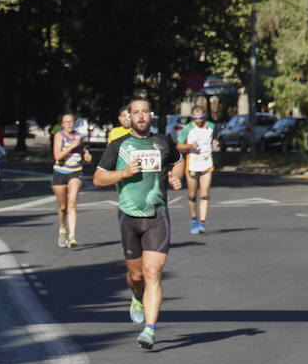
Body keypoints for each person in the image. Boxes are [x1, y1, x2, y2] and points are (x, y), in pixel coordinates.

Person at [93, 98, 184, 350]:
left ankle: (149, 329)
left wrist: (176, 178)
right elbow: (98, 179)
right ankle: (136, 296)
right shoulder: (118, 145)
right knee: (136, 276)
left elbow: (177, 162)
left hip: (157, 216)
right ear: (128, 117)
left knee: (153, 273)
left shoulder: (164, 141)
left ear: (150, 115)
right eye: (136, 112)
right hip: (128, 217)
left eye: (145, 112)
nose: (141, 116)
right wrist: (123, 173)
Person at [176, 106, 219, 234]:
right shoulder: (188, 128)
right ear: (192, 117)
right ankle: (194, 218)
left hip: (207, 163)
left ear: (204, 116)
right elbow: (178, 146)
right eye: (196, 118)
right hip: (192, 165)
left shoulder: (211, 126)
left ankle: (202, 222)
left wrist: (215, 142)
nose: (199, 121)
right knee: (192, 195)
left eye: (201, 118)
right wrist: (190, 146)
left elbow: (214, 137)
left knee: (205, 194)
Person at [52, 113, 92, 248]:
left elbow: (83, 150)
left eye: (71, 122)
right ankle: (63, 228)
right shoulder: (59, 136)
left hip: (75, 172)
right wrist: (70, 146)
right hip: (60, 173)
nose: (69, 124)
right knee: (62, 207)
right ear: (62, 124)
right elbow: (57, 156)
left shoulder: (79, 136)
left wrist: (86, 155)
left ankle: (72, 236)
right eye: (66, 122)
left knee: (72, 204)